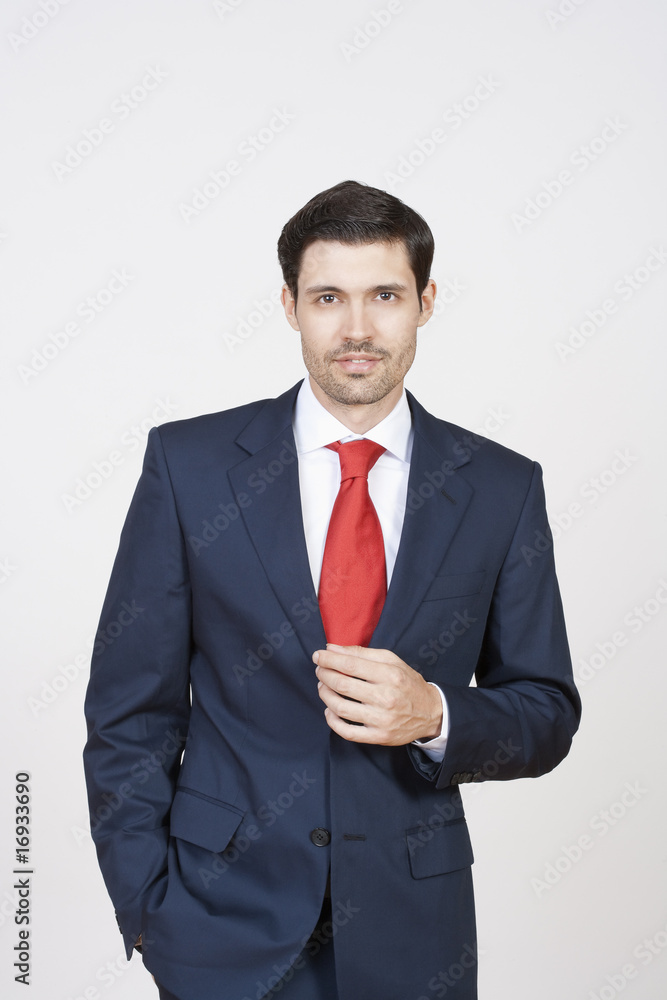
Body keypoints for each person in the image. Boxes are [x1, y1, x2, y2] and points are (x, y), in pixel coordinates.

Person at [83, 180, 581, 1000]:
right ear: (289, 306)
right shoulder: (189, 467)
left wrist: (435, 715)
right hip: (218, 929)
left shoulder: (500, 487)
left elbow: (546, 711)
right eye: (327, 298)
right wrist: (146, 911)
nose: (356, 329)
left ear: (424, 302)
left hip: (413, 934)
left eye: (384, 295)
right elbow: (129, 712)